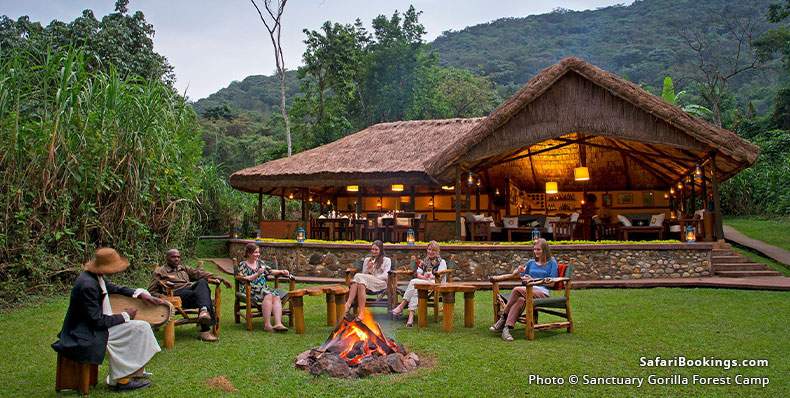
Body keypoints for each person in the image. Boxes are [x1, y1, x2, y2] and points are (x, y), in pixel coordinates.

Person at [52, 248, 164, 391]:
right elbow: (96, 321)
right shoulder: (87, 285)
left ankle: (133, 371)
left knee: (141, 327)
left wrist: (140, 294)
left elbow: (113, 288)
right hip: (84, 333)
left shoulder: (95, 276)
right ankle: (122, 381)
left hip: (91, 327)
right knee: (138, 329)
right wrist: (125, 316)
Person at [148, 249, 229, 342]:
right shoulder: (160, 272)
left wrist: (219, 277)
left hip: (190, 293)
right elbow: (151, 291)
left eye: (178, 257)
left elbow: (199, 274)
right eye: (173, 257)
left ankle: (204, 311)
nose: (176, 259)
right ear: (167, 258)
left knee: (202, 282)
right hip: (176, 294)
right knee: (203, 297)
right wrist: (164, 298)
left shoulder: (183, 268)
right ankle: (205, 331)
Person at [489, 238, 558, 341]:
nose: (536, 252)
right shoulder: (531, 263)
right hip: (527, 291)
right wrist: (518, 271)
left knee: (517, 290)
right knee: (520, 300)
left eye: (538, 249)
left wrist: (533, 280)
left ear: (545, 250)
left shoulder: (552, 263)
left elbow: (552, 283)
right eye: (534, 249)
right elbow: (518, 275)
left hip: (542, 291)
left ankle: (503, 318)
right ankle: (506, 329)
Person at [390, 241, 447, 327]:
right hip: (424, 282)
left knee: (413, 282)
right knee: (416, 289)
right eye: (429, 249)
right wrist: (423, 277)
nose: (430, 252)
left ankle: (402, 306)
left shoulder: (441, 262)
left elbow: (441, 275)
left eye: (433, 250)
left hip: (436, 283)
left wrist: (430, 275)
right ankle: (410, 318)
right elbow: (418, 273)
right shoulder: (424, 261)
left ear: (437, 251)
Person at [237, 243, 291, 332]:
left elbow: (270, 271)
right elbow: (244, 279)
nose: (258, 254)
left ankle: (278, 323)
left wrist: (282, 271)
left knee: (276, 296)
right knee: (269, 295)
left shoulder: (260, 263)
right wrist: (257, 274)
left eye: (258, 252)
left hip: (263, 288)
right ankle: (267, 325)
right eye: (255, 252)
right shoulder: (242, 265)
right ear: (249, 253)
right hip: (250, 288)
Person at [343, 240, 391, 318]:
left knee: (358, 276)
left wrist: (374, 277)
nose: (374, 251)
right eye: (372, 249)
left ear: (381, 250)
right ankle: (361, 313)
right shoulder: (367, 260)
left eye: (376, 249)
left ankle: (348, 304)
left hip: (380, 283)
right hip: (366, 283)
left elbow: (386, 275)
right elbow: (364, 275)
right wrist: (368, 268)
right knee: (360, 283)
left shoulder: (386, 260)